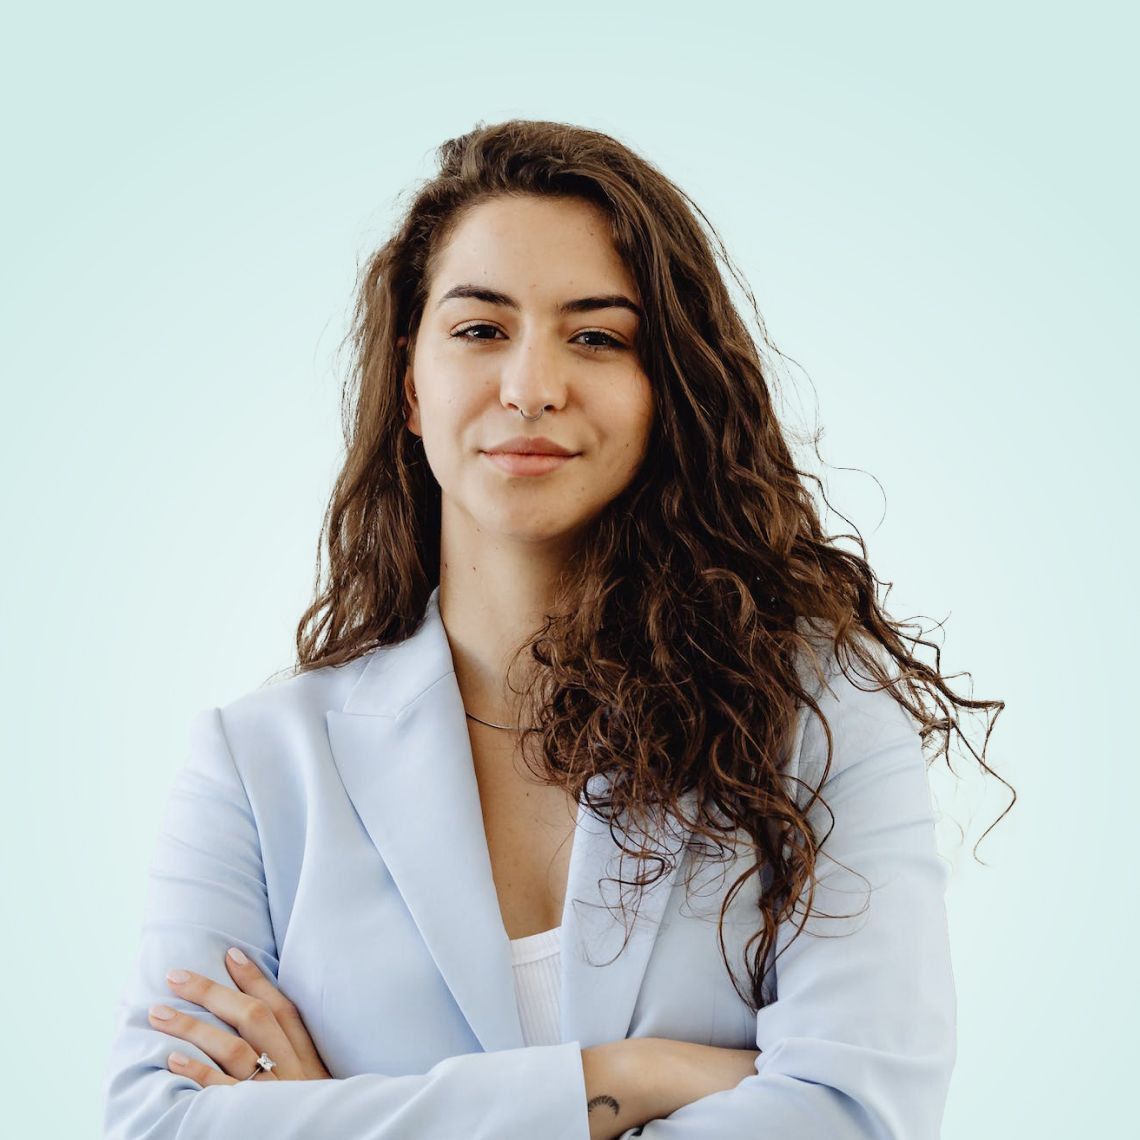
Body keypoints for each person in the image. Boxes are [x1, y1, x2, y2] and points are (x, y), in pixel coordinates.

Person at [102, 118, 1008, 1140]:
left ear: (665, 389)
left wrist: (327, 1119)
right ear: (409, 384)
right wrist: (640, 1074)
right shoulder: (258, 764)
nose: (532, 386)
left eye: (597, 335)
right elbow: (157, 1124)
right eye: (481, 330)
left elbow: (853, 1115)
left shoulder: (820, 718)